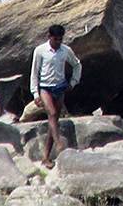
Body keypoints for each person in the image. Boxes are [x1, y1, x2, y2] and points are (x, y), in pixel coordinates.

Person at [31, 25, 83, 168]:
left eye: (60, 39)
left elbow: (77, 65)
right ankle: (59, 144)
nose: (58, 42)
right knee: (52, 114)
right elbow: (34, 72)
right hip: (45, 87)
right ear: (49, 37)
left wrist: (73, 82)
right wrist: (35, 93)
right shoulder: (40, 51)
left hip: (60, 87)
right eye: (55, 39)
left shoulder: (65, 51)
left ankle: (45, 157)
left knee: (53, 122)